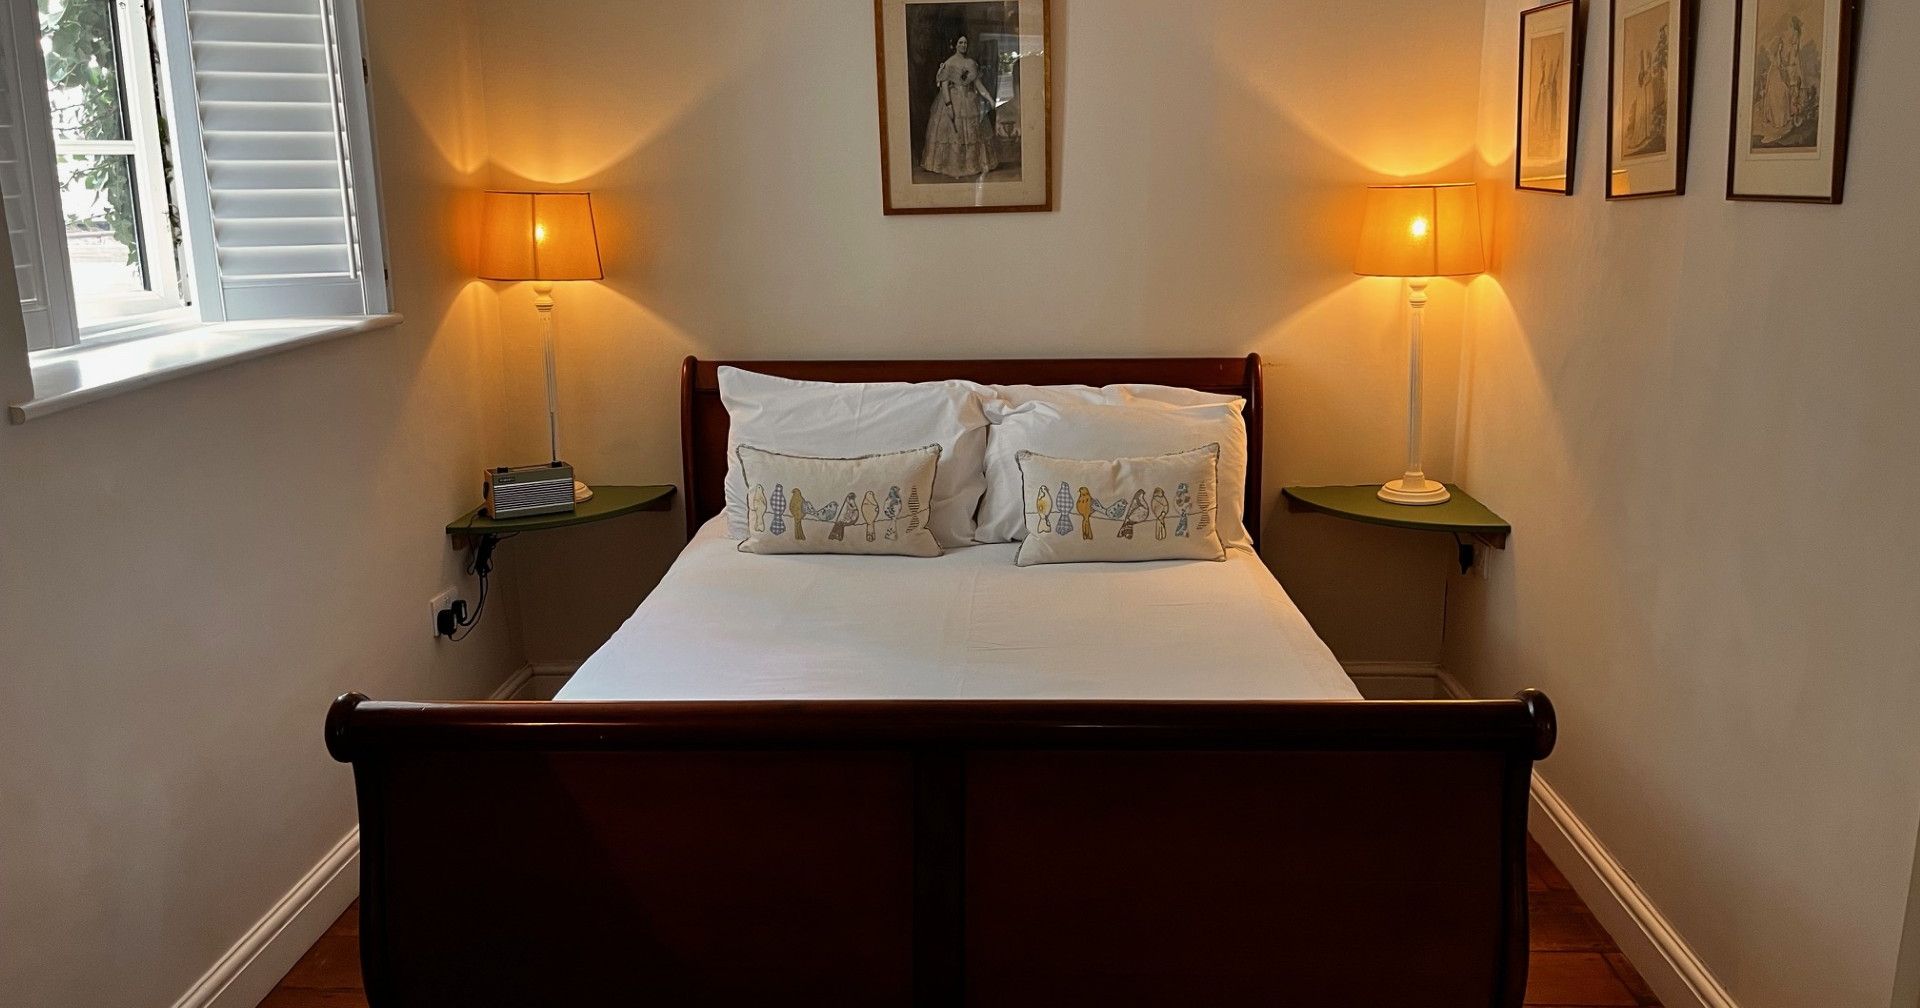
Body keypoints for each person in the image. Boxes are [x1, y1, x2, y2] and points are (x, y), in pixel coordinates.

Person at [920, 35, 998, 178]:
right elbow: (944, 87)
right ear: (955, 45)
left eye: (965, 43)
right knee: (955, 134)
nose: (963, 45)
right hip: (953, 100)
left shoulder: (971, 63)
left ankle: (971, 165)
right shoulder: (949, 63)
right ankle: (954, 166)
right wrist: (949, 105)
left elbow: (978, 85)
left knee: (972, 133)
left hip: (969, 100)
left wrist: (990, 99)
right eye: (960, 43)